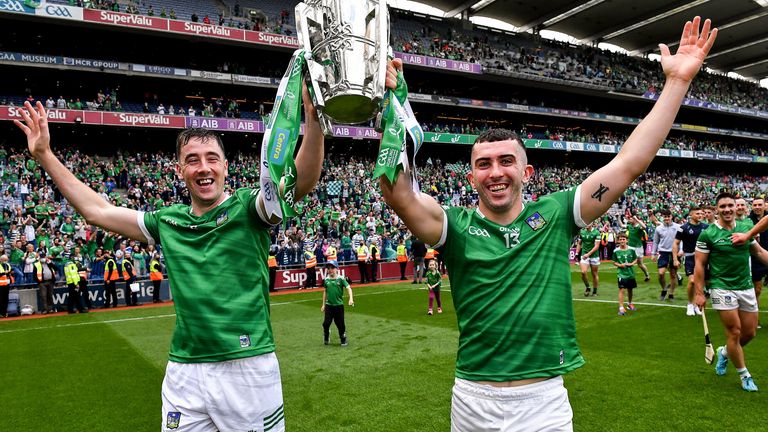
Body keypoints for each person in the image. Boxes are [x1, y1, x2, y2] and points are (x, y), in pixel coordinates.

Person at [380, 17, 716, 430]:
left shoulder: (557, 214)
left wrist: (677, 83)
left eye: (507, 161)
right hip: (473, 399)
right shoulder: (453, 225)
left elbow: (630, 163)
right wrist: (391, 104)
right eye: (483, 164)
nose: (495, 171)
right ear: (471, 177)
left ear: (528, 172)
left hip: (543, 403)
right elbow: (397, 192)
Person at [14, 81, 324, 431]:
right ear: (180, 171)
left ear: (225, 167)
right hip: (184, 372)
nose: (203, 168)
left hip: (247, 366)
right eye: (192, 161)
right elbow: (97, 211)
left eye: (211, 159)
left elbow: (302, 180)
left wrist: (312, 121)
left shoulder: (249, 208)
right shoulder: (167, 220)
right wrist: (44, 155)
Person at [694, 192, 768, 392]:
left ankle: (725, 352)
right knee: (734, 331)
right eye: (722, 206)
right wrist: (699, 293)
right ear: (716, 209)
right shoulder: (708, 233)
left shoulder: (745, 229)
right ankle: (745, 375)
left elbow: (759, 252)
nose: (726, 209)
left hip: (745, 286)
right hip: (721, 287)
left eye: (730, 206)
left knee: (750, 333)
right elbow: (700, 265)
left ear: (737, 207)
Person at [673, 206, 707, 316]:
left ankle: (697, 304)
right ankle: (690, 304)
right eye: (697, 214)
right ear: (691, 215)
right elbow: (676, 243)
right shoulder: (683, 228)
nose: (700, 215)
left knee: (701, 283)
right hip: (690, 257)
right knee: (692, 281)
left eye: (701, 213)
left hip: (703, 258)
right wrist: (675, 259)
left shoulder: (706, 227)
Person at [321, 260, 354, 346]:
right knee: (326, 323)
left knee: (340, 324)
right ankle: (326, 335)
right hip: (329, 305)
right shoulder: (326, 280)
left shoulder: (341, 279)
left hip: (338, 306)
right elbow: (325, 292)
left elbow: (349, 288)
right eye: (328, 268)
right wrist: (323, 304)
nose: (330, 270)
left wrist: (351, 299)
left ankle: (343, 338)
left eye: (332, 268)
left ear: (337, 269)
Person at [652, 209, 681, 300]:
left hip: (674, 253)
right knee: (661, 273)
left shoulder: (678, 227)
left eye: (668, 216)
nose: (667, 218)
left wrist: (682, 250)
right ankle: (664, 289)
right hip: (663, 252)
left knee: (673, 274)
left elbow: (682, 239)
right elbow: (656, 242)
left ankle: (671, 293)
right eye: (665, 217)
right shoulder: (658, 228)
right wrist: (653, 253)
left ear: (671, 217)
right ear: (662, 217)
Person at [612, 233, 638, 316]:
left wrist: (631, 264)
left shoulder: (632, 249)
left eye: (623, 239)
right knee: (621, 290)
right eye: (620, 239)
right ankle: (621, 307)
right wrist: (620, 265)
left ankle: (629, 304)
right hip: (621, 274)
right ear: (618, 241)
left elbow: (635, 259)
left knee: (630, 289)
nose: (622, 241)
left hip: (630, 273)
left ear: (627, 240)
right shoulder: (616, 251)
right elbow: (613, 262)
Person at [619, 214, 651, 282]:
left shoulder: (639, 227)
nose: (629, 219)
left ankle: (647, 275)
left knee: (640, 264)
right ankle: (628, 277)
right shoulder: (629, 226)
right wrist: (618, 217)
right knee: (628, 261)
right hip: (630, 247)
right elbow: (621, 225)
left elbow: (644, 226)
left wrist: (636, 219)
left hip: (638, 247)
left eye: (631, 218)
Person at [576, 222, 601, 297]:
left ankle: (595, 291)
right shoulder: (582, 232)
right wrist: (577, 253)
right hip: (584, 255)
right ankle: (588, 287)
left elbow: (596, 246)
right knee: (583, 272)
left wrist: (588, 254)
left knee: (594, 274)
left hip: (594, 256)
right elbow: (579, 243)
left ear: (592, 224)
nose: (586, 224)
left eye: (588, 223)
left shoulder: (596, 232)